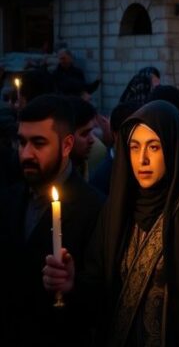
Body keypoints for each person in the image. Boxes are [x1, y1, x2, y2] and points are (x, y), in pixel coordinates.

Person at [42, 100, 179, 345]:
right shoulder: (118, 208)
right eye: (135, 148)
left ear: (171, 148)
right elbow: (99, 289)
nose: (143, 159)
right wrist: (74, 283)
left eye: (154, 147)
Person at [1, 95, 105, 347]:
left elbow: (104, 295)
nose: (26, 154)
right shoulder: (8, 198)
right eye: (22, 142)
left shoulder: (96, 207)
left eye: (38, 143)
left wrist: (72, 286)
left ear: (67, 145)